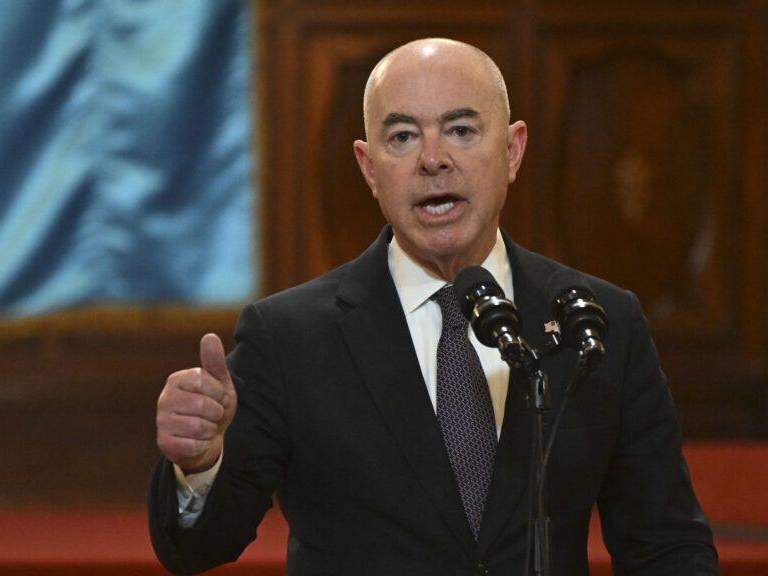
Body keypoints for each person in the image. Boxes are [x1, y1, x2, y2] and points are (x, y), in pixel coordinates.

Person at [148, 38, 720, 575]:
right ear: (369, 169)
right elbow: (201, 547)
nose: (433, 159)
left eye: (462, 130)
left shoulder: (597, 321)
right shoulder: (290, 337)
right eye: (401, 137)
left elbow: (666, 545)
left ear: (513, 150)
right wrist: (198, 467)